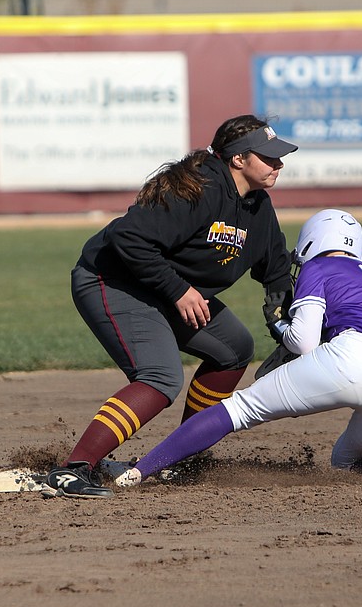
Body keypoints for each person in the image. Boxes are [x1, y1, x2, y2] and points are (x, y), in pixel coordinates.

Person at [45, 115, 298, 497]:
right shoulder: (198, 189)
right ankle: (74, 468)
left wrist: (288, 327)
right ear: (238, 159)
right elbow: (126, 238)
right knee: (161, 377)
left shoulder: (256, 207)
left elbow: (275, 270)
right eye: (268, 157)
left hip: (168, 290)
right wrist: (178, 290)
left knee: (234, 349)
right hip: (113, 279)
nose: (279, 164)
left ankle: (181, 458)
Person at [112, 208, 362, 490]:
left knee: (239, 409)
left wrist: (279, 325)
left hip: (353, 357)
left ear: (312, 241)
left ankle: (140, 471)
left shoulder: (319, 266)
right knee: (347, 461)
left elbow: (304, 342)